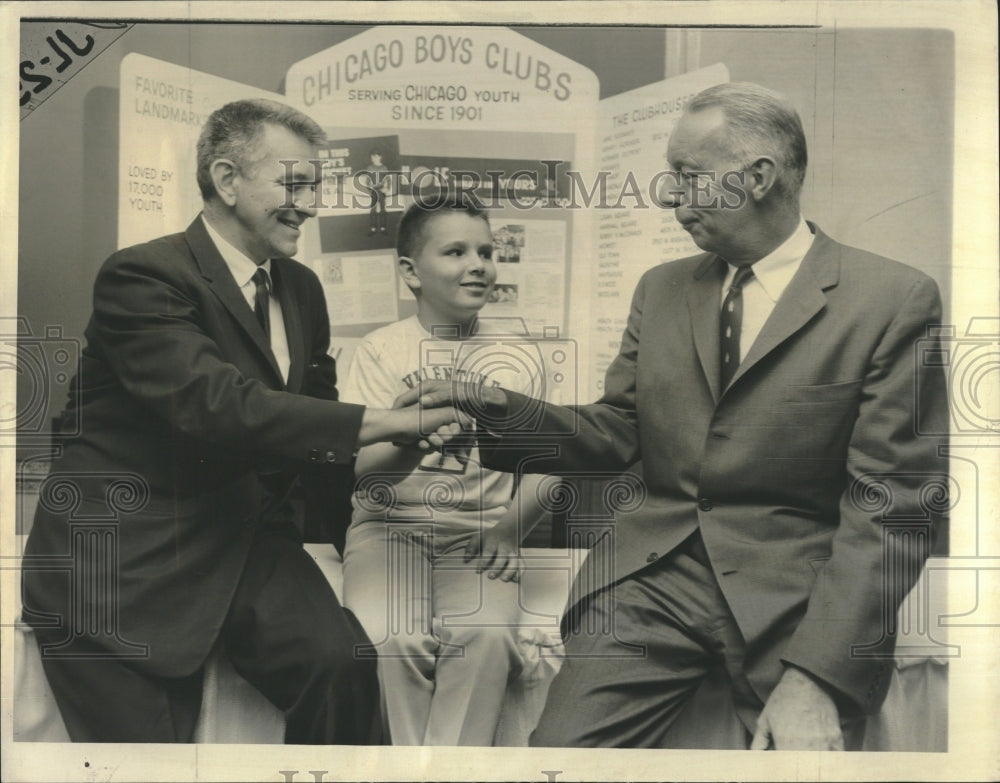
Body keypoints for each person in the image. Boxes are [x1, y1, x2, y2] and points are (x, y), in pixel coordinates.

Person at [404, 82, 950, 750]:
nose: (667, 196)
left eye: (686, 176)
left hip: (795, 600)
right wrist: (492, 405)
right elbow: (617, 432)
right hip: (648, 584)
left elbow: (894, 504)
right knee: (557, 761)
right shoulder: (661, 290)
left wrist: (814, 675)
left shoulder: (891, 299)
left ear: (758, 177)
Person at [20, 98, 463, 744]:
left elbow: (318, 448)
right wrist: (389, 418)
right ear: (226, 180)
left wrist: (409, 445)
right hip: (124, 562)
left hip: (246, 538)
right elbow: (219, 404)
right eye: (295, 182)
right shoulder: (142, 276)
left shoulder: (303, 290)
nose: (310, 203)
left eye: (315, 185)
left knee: (344, 666)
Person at [339, 199, 553, 745]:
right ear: (411, 271)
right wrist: (412, 438)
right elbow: (364, 475)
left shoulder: (519, 354)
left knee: (484, 634)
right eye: (455, 251)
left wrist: (511, 529)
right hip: (388, 530)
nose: (478, 263)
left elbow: (554, 464)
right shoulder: (378, 351)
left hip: (481, 534)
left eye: (486, 251)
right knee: (390, 636)